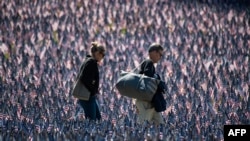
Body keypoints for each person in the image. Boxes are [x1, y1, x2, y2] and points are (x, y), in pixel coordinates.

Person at [135, 43, 165, 125]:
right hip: (145, 102)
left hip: (151, 102)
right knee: (142, 125)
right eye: (160, 54)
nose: (160, 57)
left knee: (161, 125)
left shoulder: (147, 63)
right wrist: (158, 78)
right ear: (154, 52)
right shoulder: (148, 62)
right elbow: (147, 76)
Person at [77, 42, 105, 121]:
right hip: (87, 97)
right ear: (97, 53)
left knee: (97, 119)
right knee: (92, 121)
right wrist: (93, 90)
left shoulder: (88, 60)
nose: (103, 57)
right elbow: (84, 78)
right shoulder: (91, 63)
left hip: (88, 96)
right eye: (102, 54)